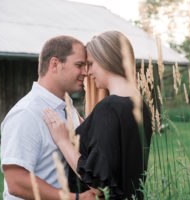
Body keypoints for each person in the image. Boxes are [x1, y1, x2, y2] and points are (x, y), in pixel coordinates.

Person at [43, 31, 152, 200]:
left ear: (106, 60)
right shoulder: (140, 105)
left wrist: (63, 141)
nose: (88, 72)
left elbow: (98, 184)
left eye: (91, 64)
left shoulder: (108, 108)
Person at [0, 35, 95, 199]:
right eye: (79, 65)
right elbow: (15, 181)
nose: (85, 73)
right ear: (55, 64)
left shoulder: (67, 107)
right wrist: (75, 198)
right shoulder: (26, 113)